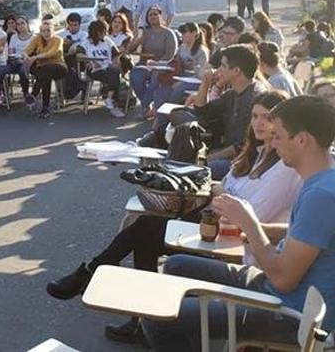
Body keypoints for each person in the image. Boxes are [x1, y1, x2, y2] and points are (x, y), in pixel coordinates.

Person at [48, 92, 301, 345]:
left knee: (146, 230)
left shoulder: (283, 168)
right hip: (220, 228)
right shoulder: (256, 154)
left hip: (234, 243)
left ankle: (98, 281)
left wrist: (222, 194)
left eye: (267, 118)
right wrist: (221, 193)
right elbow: (225, 192)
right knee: (146, 229)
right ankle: (132, 311)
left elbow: (250, 212)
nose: (258, 123)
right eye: (255, 116)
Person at [142, 95, 335, 351]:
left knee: (157, 315)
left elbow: (283, 279)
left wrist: (250, 223)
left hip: (290, 313)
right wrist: (262, 230)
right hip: (277, 289)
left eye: (277, 136)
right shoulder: (323, 182)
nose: (272, 144)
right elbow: (307, 235)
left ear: (302, 140)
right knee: (176, 265)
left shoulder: (321, 196)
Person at [191, 44, 267, 179]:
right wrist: (205, 84)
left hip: (243, 160)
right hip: (225, 150)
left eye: (223, 66)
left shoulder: (253, 99)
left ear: (236, 71)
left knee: (199, 170)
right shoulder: (233, 93)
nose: (219, 70)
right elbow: (202, 111)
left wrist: (207, 158)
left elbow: (241, 146)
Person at [126, 6, 178, 118]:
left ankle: (144, 106)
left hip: (161, 65)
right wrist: (137, 42)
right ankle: (149, 106)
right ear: (147, 18)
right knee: (135, 77)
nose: (153, 17)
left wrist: (157, 64)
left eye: (155, 14)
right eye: (150, 15)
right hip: (144, 64)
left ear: (161, 16)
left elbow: (170, 54)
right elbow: (130, 50)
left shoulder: (168, 33)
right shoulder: (144, 32)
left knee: (155, 78)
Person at [77, 20, 125, 118]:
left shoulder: (107, 40)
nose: (105, 34)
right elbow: (79, 55)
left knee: (114, 71)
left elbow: (116, 55)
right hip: (94, 69)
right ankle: (111, 101)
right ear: (97, 32)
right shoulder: (86, 42)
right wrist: (91, 61)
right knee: (114, 75)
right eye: (103, 32)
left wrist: (116, 61)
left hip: (107, 67)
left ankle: (109, 97)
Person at [24, 17, 66, 119]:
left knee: (46, 71)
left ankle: (34, 94)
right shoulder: (37, 39)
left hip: (58, 66)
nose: (46, 33)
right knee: (45, 76)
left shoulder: (58, 40)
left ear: (53, 30)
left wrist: (36, 57)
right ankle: (45, 108)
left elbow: (51, 53)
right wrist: (27, 58)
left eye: (48, 30)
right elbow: (26, 51)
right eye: (43, 31)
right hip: (42, 68)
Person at [164, 22, 209, 104]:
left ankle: (169, 111)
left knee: (177, 91)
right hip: (182, 76)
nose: (182, 35)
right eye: (182, 33)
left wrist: (182, 82)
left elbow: (201, 74)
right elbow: (175, 62)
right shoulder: (182, 47)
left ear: (194, 33)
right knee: (161, 89)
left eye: (185, 32)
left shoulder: (201, 51)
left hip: (196, 80)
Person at [6, 16, 33, 98]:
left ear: (27, 24)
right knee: (3, 70)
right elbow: (11, 52)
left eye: (22, 23)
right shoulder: (14, 37)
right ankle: (2, 94)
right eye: (18, 24)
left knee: (22, 69)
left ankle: (25, 93)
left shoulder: (34, 37)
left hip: (28, 62)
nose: (20, 26)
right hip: (15, 61)